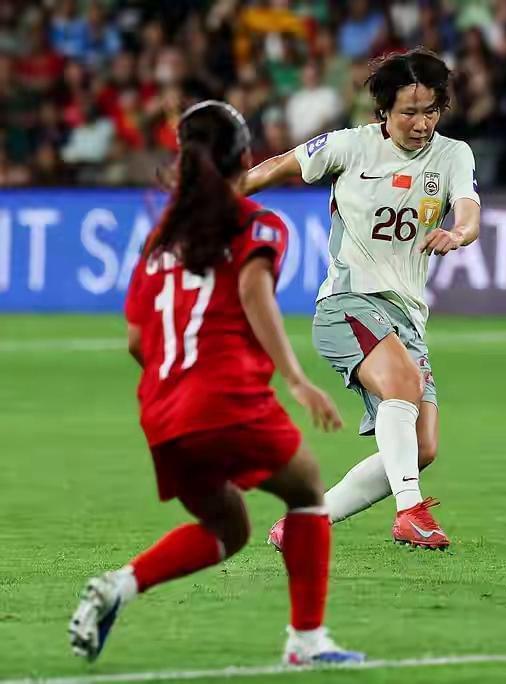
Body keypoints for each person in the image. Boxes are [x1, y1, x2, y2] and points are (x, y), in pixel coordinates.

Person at [68, 100, 364, 666]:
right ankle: (306, 642)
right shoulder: (255, 222)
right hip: (228, 398)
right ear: (244, 158)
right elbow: (253, 289)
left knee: (227, 526)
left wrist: (179, 392)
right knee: (307, 492)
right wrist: (296, 378)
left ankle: (119, 587)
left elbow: (135, 339)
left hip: (162, 412)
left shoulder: (161, 237)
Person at [243, 49, 481, 550]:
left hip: (406, 314)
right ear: (383, 109)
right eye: (409, 112)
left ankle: (306, 524)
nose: (422, 124)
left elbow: (468, 213)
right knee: (403, 386)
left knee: (421, 447)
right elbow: (278, 166)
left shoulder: (452, 154)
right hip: (348, 302)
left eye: (431, 111)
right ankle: (410, 513)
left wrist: (457, 234)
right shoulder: (350, 147)